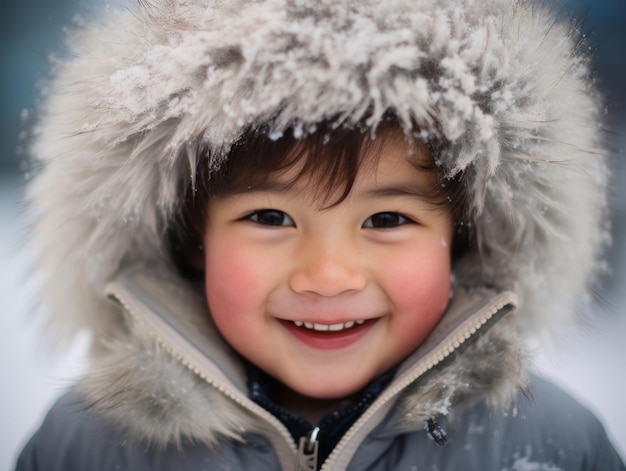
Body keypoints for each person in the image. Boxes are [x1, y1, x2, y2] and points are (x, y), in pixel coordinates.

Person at [15, 0, 625, 469]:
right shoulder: (89, 445)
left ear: (463, 240)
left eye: (386, 220)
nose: (328, 275)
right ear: (191, 238)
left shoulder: (550, 443)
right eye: (271, 218)